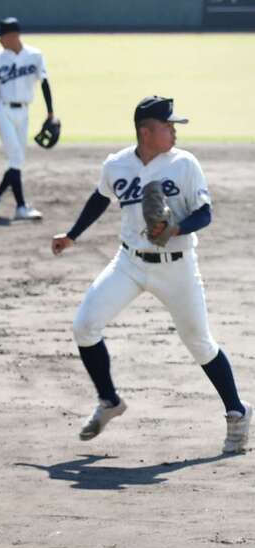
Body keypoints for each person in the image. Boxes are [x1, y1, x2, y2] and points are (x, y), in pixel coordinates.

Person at [51, 96, 251, 453]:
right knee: (85, 325)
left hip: (178, 267)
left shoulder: (185, 163)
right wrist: (72, 235)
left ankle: (237, 412)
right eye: (168, 125)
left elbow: (205, 214)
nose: (174, 130)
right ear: (146, 131)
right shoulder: (117, 164)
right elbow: (100, 198)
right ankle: (109, 401)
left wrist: (176, 228)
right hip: (129, 263)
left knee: (200, 343)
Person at [0, 17, 56, 220]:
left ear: (13, 36)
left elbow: (44, 83)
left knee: (17, 160)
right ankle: (21, 207)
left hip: (24, 112)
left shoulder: (35, 55)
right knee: (16, 157)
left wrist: (50, 112)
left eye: (1, 36)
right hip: (2, 110)